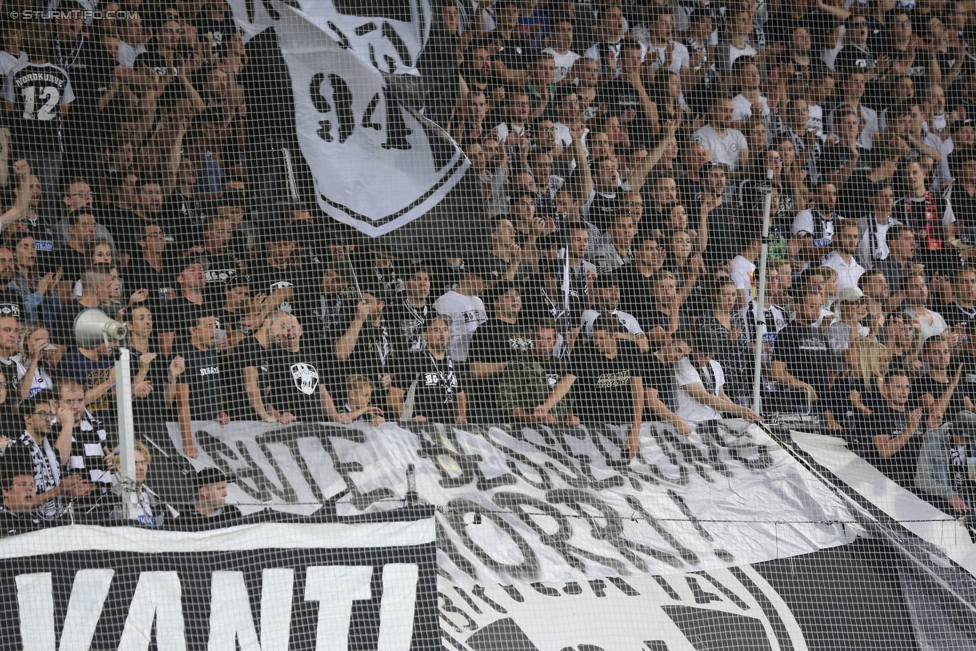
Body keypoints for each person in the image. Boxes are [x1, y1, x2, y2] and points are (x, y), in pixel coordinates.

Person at [535, 315, 644, 458]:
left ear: (614, 336)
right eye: (595, 337)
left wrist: (635, 429)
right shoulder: (583, 353)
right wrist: (546, 406)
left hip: (623, 424)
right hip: (591, 427)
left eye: (602, 338)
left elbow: (637, 390)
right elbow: (566, 383)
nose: (596, 342)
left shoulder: (630, 350)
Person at [10, 391, 92, 520]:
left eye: (50, 414)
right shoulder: (18, 450)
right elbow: (18, 503)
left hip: (55, 523)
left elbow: (54, 491)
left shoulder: (52, 451)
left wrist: (71, 491)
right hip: (29, 527)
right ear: (28, 417)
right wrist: (59, 489)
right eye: (42, 414)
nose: (48, 418)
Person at [673, 329, 763, 425]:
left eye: (710, 355)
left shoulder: (716, 365)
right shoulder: (683, 366)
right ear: (694, 349)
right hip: (690, 422)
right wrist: (738, 409)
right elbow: (704, 397)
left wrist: (740, 413)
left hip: (715, 420)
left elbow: (721, 395)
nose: (706, 358)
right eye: (702, 355)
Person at [498, 323, 576, 426]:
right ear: (533, 337)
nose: (543, 344)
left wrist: (570, 416)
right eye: (539, 338)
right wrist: (532, 418)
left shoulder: (562, 366)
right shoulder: (518, 364)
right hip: (528, 430)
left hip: (560, 431)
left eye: (548, 340)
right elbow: (506, 403)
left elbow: (568, 400)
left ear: (555, 341)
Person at [394, 315, 466, 424]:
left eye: (445, 330)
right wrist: (408, 420)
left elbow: (460, 396)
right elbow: (393, 397)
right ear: (425, 335)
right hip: (422, 430)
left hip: (449, 430)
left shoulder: (452, 364)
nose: (442, 335)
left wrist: (461, 415)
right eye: (436, 330)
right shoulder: (414, 361)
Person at [107, 441, 175, 526]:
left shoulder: (159, 505)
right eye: (135, 463)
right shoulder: (107, 502)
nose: (140, 467)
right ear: (120, 467)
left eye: (143, 463)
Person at [0, 469, 45, 535]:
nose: (30, 489)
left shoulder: (35, 520)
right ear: (6, 491)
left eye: (32, 486)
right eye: (23, 485)